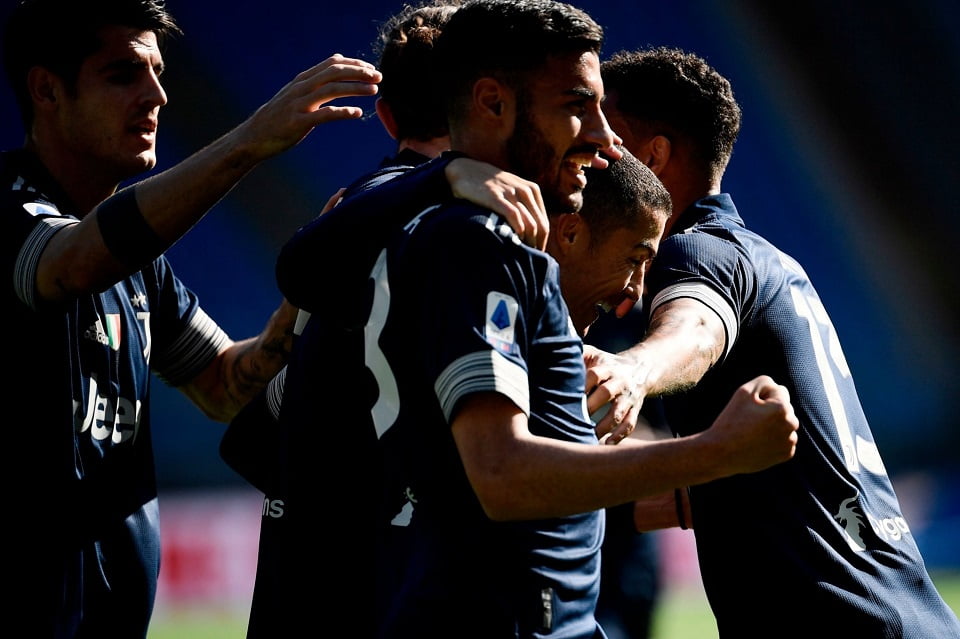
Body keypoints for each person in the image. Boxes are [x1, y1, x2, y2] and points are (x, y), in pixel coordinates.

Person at [274, 2, 799, 636]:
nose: (606, 137)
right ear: (492, 104)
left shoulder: (463, 232)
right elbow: (503, 475)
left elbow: (303, 268)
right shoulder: (475, 242)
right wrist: (715, 453)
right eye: (578, 105)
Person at [0, 0, 386, 635]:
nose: (157, 96)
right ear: (46, 89)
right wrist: (248, 142)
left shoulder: (138, 265)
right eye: (123, 74)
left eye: (158, 74)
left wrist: (303, 307)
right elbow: (69, 265)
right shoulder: (10, 217)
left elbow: (223, 384)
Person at [595, 46, 960, 636]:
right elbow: (736, 491)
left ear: (653, 155)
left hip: (841, 621)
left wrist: (636, 370)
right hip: (898, 613)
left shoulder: (694, 251)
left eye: (604, 134)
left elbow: (694, 329)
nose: (587, 151)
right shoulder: (765, 259)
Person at [218, 2, 555, 635]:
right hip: (377, 572)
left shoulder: (355, 209)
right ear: (491, 104)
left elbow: (258, 440)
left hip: (308, 569)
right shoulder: (455, 218)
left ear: (385, 114)